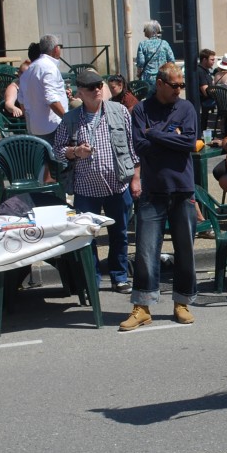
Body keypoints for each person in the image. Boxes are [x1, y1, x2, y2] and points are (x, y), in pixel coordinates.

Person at [125, 62, 198, 331]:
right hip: (153, 189)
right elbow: (140, 146)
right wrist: (171, 138)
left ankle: (182, 302)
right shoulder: (142, 109)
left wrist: (155, 133)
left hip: (182, 188)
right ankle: (142, 307)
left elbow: (190, 143)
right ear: (159, 83)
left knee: (186, 250)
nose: (179, 90)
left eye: (182, 85)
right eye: (174, 85)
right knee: (146, 250)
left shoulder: (187, 108)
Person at [54, 70, 141, 294]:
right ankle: (91, 280)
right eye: (91, 88)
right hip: (86, 188)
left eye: (99, 86)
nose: (97, 91)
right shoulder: (70, 119)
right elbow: (57, 152)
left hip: (117, 184)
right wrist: (75, 151)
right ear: (80, 93)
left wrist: (136, 179)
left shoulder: (119, 111)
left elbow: (132, 149)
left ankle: (119, 277)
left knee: (119, 234)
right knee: (87, 237)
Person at [18, 34, 68, 146]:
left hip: (35, 127)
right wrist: (67, 120)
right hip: (52, 126)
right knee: (58, 161)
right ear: (56, 49)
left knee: (44, 162)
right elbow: (51, 99)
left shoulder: (31, 68)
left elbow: (21, 100)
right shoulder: (48, 67)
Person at [135, 20, 175, 89]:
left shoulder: (142, 44)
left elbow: (141, 63)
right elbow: (171, 60)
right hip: (162, 76)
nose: (143, 31)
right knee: (162, 97)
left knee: (149, 98)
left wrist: (139, 73)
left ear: (149, 31)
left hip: (148, 77)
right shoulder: (164, 43)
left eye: (145, 29)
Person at [196, 48, 218, 129]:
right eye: (212, 60)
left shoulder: (206, 70)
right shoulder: (201, 72)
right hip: (205, 100)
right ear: (204, 60)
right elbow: (206, 92)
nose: (213, 62)